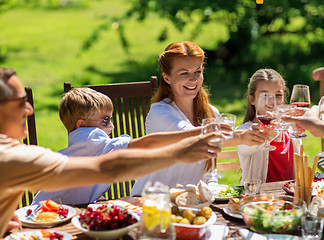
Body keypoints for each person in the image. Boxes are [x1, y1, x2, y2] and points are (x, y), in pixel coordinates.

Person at [0, 67, 222, 236]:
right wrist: (181, 152)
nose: (29, 109)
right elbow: (110, 166)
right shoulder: (15, 156)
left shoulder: (17, 153)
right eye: (20, 102)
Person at [131, 41, 271, 196]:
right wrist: (240, 136)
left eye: (197, 72)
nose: (193, 79)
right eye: (184, 73)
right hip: (153, 201)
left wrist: (212, 190)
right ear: (167, 78)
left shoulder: (211, 113)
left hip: (192, 202)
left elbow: (209, 167)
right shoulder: (160, 113)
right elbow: (193, 137)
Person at [236, 69, 301, 184]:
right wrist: (275, 127)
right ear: (252, 99)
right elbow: (248, 143)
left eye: (278, 95)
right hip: (259, 199)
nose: (272, 102)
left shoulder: (291, 133)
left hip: (288, 199)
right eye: (265, 95)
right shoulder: (244, 131)